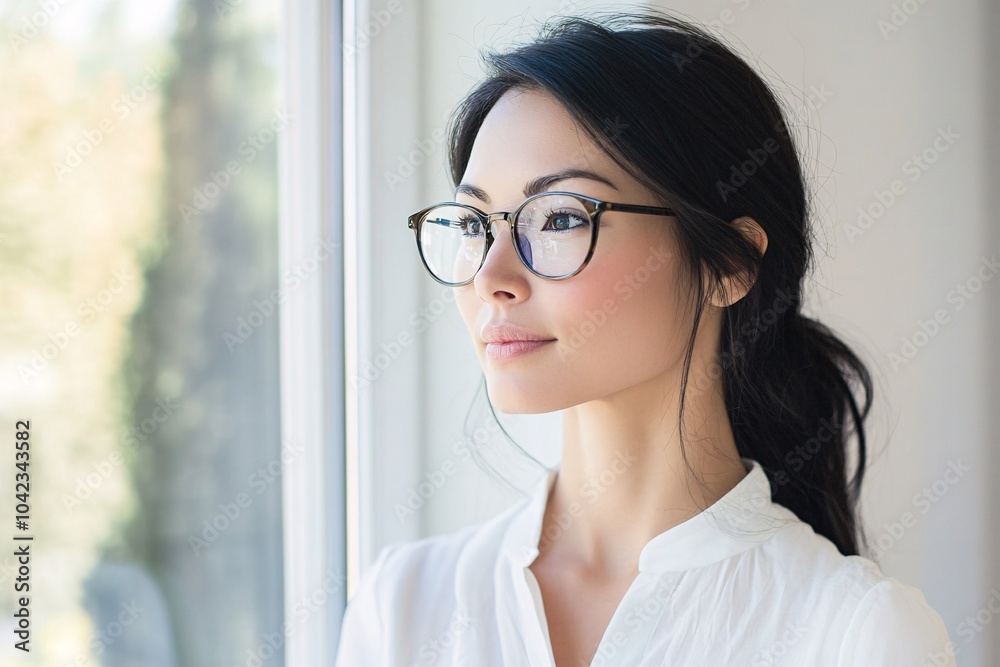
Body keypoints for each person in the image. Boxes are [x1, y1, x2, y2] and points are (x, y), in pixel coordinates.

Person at [335, 8, 957, 666]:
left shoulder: (856, 635)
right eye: (472, 223)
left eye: (560, 219)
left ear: (730, 263)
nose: (492, 276)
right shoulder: (403, 607)